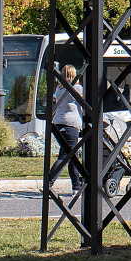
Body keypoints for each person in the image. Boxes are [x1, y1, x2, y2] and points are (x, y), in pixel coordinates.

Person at [50, 64, 84, 192]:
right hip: (72, 124)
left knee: (68, 155)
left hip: (58, 123)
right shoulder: (77, 88)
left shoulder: (58, 89)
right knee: (68, 156)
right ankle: (50, 182)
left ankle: (76, 186)